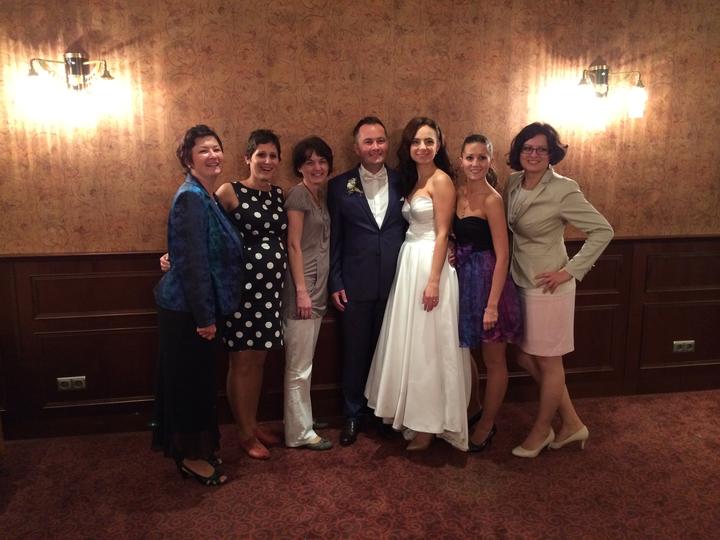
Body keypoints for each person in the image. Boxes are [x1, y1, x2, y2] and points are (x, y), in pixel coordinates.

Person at [506, 122, 613, 458]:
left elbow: (603, 231)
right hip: (520, 280)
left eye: (541, 149)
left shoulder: (564, 189)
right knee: (525, 356)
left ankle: (542, 430)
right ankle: (571, 422)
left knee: (549, 362)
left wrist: (569, 272)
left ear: (551, 153)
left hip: (549, 287)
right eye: (528, 148)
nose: (534, 154)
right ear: (519, 152)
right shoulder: (513, 183)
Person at [364, 117, 471, 451]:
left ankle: (430, 424)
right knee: (411, 341)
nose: (422, 148)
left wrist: (434, 280)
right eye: (416, 142)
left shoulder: (441, 180)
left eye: (428, 141)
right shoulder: (411, 180)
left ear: (438, 145)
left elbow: (443, 232)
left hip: (429, 264)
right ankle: (411, 414)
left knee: (429, 345)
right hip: (409, 262)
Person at [152, 124, 243, 486]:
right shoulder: (191, 197)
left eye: (216, 148)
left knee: (199, 383)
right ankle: (190, 457)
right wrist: (205, 318)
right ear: (188, 160)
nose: (213, 155)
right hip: (188, 312)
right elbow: (193, 265)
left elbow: (193, 249)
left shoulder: (204, 194)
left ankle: (199, 450)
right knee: (189, 386)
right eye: (204, 150)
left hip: (196, 308)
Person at [327, 117, 407, 446]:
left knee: (388, 352)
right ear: (356, 148)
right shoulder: (338, 186)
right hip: (354, 284)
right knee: (355, 352)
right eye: (368, 142)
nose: (376, 147)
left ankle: (382, 414)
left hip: (397, 283)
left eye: (380, 140)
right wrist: (335, 281)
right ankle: (352, 414)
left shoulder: (405, 181)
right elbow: (334, 238)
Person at [215, 129, 288, 460]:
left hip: (270, 292)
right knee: (242, 361)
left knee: (258, 360)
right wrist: (175, 254)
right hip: (241, 291)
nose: (267, 161)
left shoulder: (278, 195)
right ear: (247, 158)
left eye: (273, 155)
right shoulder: (230, 191)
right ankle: (244, 434)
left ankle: (252, 423)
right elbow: (206, 228)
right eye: (261, 154)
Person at [453, 134, 523, 452]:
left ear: (490, 161)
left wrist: (492, 305)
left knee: (494, 360)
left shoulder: (493, 200)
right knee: (464, 352)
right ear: (461, 160)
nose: (475, 163)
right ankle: (474, 407)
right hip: (463, 280)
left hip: (488, 282)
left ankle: (487, 424)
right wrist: (452, 247)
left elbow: (503, 255)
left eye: (482, 157)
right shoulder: (457, 192)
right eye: (470, 157)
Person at [282, 136, 334, 451]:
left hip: (317, 288)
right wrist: (302, 291)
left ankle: (304, 419)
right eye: (309, 162)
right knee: (298, 366)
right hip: (302, 291)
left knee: (305, 363)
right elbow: (293, 245)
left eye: (322, 161)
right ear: (299, 167)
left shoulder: (318, 195)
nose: (317, 167)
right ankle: (298, 433)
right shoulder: (298, 195)